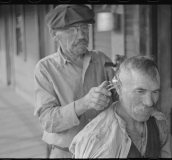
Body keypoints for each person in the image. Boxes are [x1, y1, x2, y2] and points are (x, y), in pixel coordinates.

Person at [34, 5, 121, 158]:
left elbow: (119, 100)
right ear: (54, 35)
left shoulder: (101, 59)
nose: (81, 35)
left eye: (84, 27)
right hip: (65, 153)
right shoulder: (45, 68)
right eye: (71, 30)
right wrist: (85, 103)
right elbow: (48, 121)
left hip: (104, 151)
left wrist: (125, 75)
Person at [69, 55, 172, 158]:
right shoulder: (96, 140)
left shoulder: (158, 122)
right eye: (140, 91)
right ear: (118, 88)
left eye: (155, 92)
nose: (150, 102)